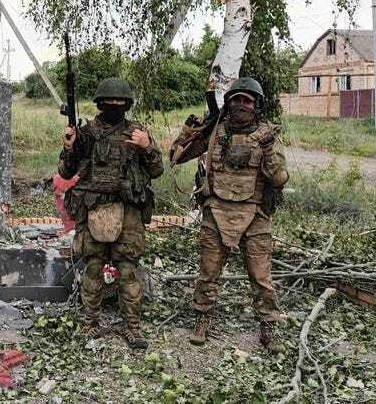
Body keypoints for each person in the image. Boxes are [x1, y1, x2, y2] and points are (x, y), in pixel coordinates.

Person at [169, 77, 289, 353]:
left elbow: (280, 179)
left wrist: (269, 148)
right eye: (236, 99)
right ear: (229, 102)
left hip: (255, 213)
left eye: (247, 100)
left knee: (261, 277)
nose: (241, 105)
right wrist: (190, 131)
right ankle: (202, 319)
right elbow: (175, 157)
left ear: (256, 105)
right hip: (216, 210)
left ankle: (268, 327)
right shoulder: (215, 132)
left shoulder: (267, 135)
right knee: (208, 273)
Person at [58, 77, 163, 348]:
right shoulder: (88, 133)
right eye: (109, 102)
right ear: (100, 103)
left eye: (120, 102)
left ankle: (133, 328)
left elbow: (156, 171)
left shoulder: (137, 132)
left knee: (127, 270)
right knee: (92, 268)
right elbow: (66, 172)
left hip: (128, 210)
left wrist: (146, 147)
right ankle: (90, 324)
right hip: (94, 207)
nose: (115, 106)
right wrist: (69, 147)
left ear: (127, 104)